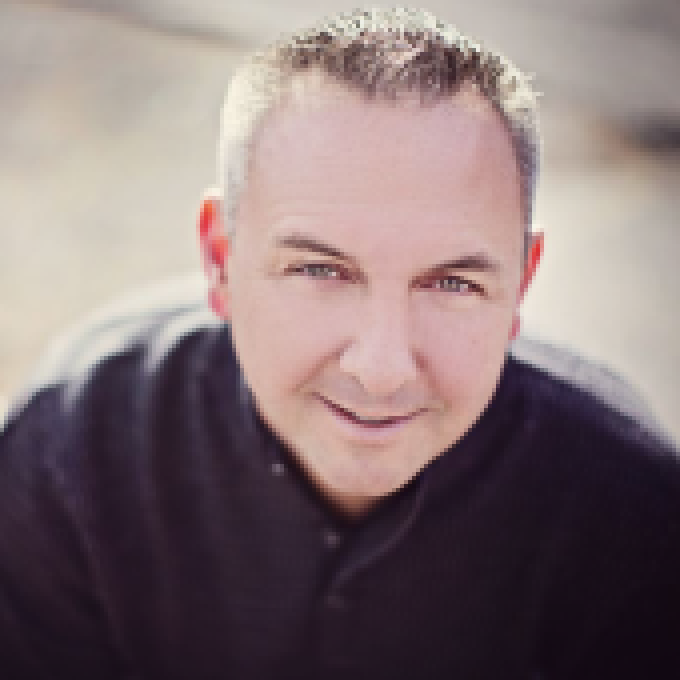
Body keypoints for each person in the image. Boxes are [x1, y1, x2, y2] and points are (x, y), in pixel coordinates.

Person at [1, 6, 679, 679]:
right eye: (320, 271)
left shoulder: (629, 518)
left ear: (522, 284)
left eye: (452, 283)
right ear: (220, 260)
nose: (383, 370)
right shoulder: (73, 451)